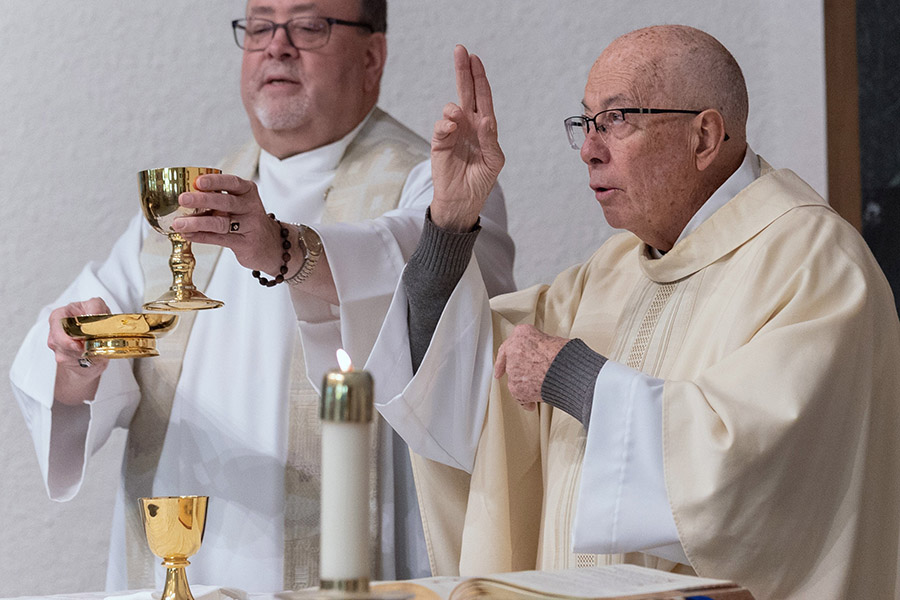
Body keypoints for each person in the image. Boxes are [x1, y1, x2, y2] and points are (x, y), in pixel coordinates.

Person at [364, 27, 900, 600]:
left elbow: (753, 469)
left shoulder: (815, 263)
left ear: (705, 137)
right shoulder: (614, 267)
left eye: (618, 120)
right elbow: (460, 386)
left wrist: (571, 375)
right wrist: (450, 221)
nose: (591, 148)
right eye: (586, 123)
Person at [9, 0, 515, 593]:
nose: (277, 45)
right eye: (259, 26)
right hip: (183, 564)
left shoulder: (440, 180)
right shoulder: (191, 200)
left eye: (308, 25)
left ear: (372, 55)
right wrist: (79, 354)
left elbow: (417, 274)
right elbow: (78, 358)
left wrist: (282, 247)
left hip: (357, 563)